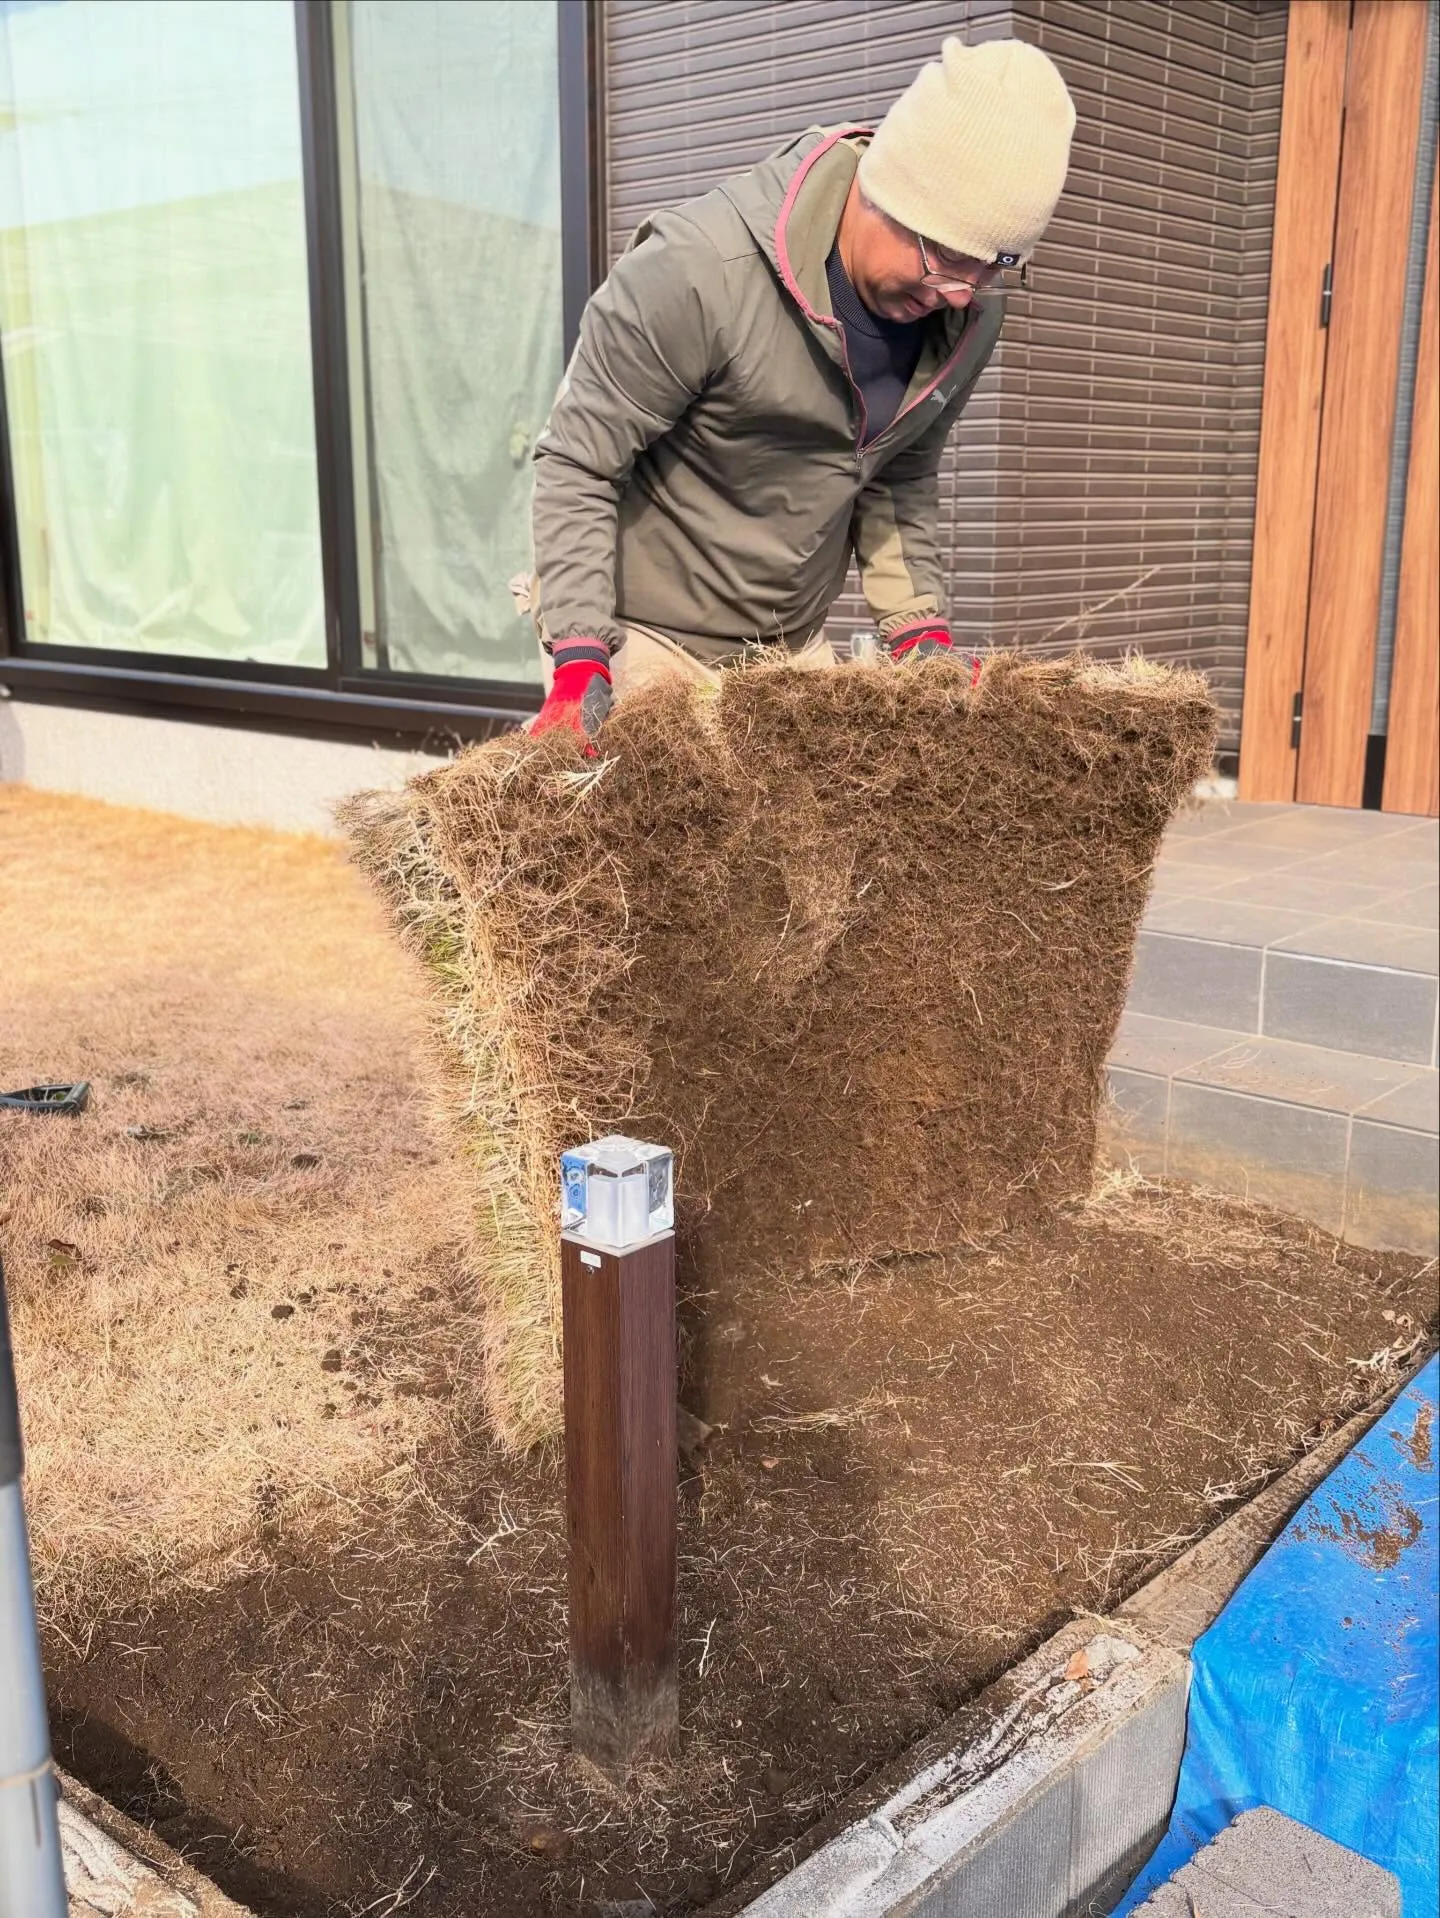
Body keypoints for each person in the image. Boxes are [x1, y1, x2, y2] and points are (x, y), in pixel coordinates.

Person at [526, 35, 1076, 741]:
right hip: (642, 635)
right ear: (886, 191)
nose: (963, 295)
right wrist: (579, 656)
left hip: (784, 648)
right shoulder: (698, 271)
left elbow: (897, 473)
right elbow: (579, 462)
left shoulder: (965, 315)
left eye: (993, 269)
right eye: (947, 258)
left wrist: (921, 639)